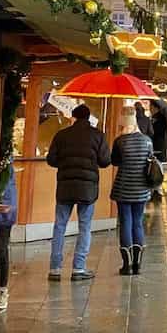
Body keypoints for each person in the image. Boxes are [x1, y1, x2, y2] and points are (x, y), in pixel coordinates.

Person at [46, 104, 111, 281]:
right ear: (88, 118)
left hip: (65, 187)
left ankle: (55, 268)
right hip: (87, 189)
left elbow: (51, 159)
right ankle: (79, 268)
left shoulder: (62, 135)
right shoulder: (98, 136)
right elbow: (105, 161)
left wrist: (65, 164)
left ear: (73, 117)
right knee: (85, 227)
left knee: (60, 225)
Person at [110, 105, 154, 275]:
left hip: (123, 188)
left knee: (125, 223)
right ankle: (137, 264)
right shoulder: (146, 140)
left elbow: (114, 161)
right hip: (141, 188)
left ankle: (126, 265)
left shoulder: (120, 141)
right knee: (138, 223)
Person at [0, 164, 17, 311]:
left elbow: (7, 191)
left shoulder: (5, 165)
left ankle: (2, 290)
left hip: (2, 211)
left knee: (1, 249)